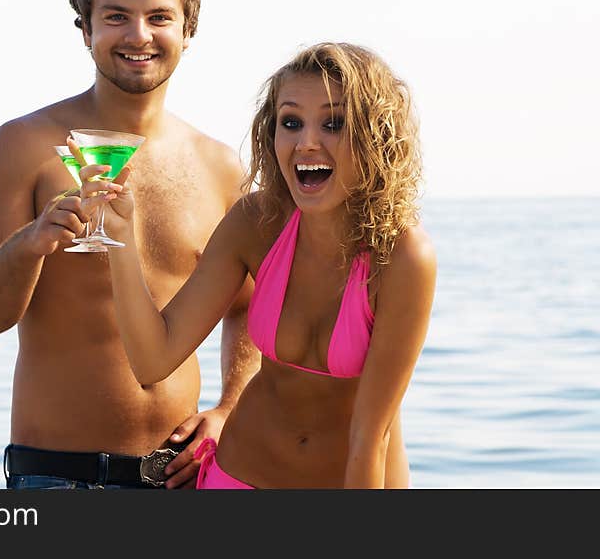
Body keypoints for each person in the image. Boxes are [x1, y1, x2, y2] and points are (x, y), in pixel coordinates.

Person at [0, 0, 259, 489]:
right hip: (57, 480)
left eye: (159, 17)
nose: (138, 35)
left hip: (179, 483)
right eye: (116, 16)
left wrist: (229, 409)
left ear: (188, 30)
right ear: (85, 29)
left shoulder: (220, 167)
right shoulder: (22, 147)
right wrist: (32, 243)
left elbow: (248, 309)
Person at [94, 42, 437, 487]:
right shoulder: (258, 222)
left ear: (375, 138)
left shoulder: (403, 256)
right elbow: (152, 358)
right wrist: (120, 239)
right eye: (290, 122)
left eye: (333, 123)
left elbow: (370, 437)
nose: (305, 142)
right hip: (234, 479)